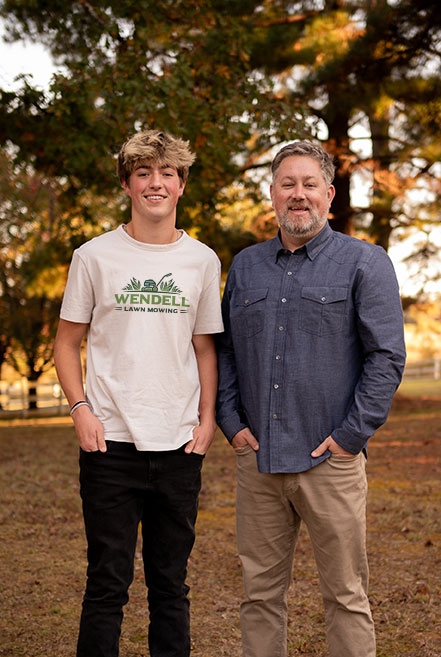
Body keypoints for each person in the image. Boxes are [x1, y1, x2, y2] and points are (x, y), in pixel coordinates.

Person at [216, 140, 406, 657]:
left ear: (329, 193)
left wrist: (349, 438)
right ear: (272, 194)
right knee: (259, 597)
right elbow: (226, 351)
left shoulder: (365, 262)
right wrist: (231, 423)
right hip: (258, 463)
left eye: (309, 184)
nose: (298, 195)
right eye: (287, 184)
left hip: (331, 464)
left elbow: (386, 358)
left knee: (345, 596)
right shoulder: (246, 267)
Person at [54, 129, 223, 657]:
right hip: (110, 446)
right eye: (144, 173)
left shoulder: (202, 260)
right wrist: (80, 409)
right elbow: (66, 343)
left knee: (170, 586)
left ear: (180, 186)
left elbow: (205, 351)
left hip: (178, 447)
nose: (156, 183)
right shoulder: (94, 256)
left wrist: (207, 419)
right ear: (127, 184)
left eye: (167, 173)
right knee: (107, 584)